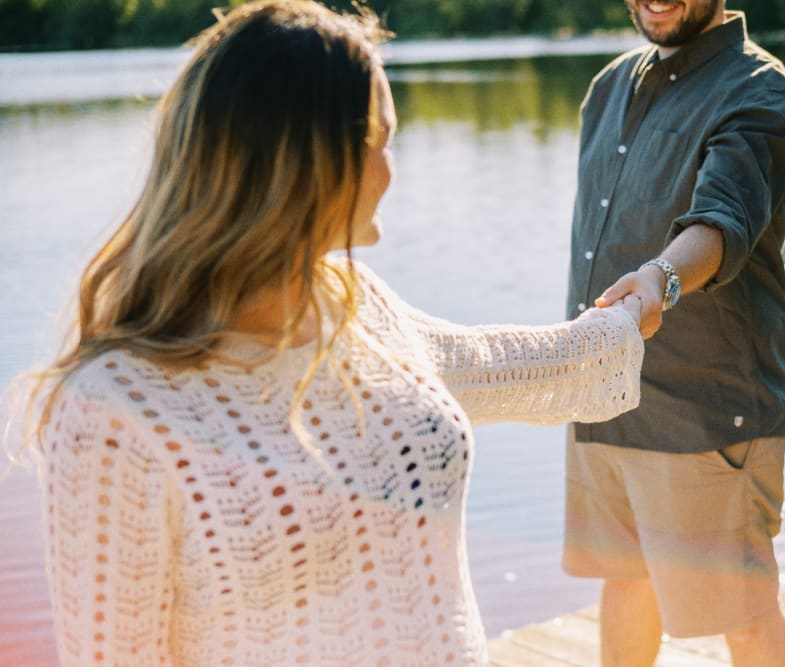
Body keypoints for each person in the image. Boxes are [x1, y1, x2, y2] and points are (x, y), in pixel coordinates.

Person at [12, 2, 647, 664]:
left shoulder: (354, 303)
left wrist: (638, 307)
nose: (392, 172)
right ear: (305, 164)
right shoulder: (116, 410)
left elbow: (500, 366)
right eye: (382, 143)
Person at [562, 1, 785, 666]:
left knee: (745, 617)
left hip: (705, 414)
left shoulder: (757, 89)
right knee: (625, 579)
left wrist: (658, 280)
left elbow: (723, 220)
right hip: (605, 400)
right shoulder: (609, 86)